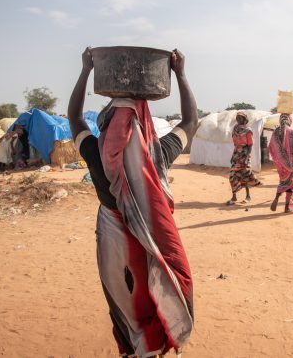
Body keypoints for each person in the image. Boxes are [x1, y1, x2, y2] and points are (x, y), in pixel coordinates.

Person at [67, 47, 196, 357]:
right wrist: (180, 74)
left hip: (115, 249)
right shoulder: (158, 157)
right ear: (145, 124)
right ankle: (153, 345)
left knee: (123, 302)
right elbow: (191, 122)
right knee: (155, 293)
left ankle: (131, 348)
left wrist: (85, 70)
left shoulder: (97, 154)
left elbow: (74, 118)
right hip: (149, 249)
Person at [269, 113, 293, 212]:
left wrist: (279, 160)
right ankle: (287, 206)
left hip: (281, 165)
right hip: (292, 165)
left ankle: (277, 197)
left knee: (283, 183)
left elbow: (271, 148)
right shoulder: (292, 131)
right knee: (292, 185)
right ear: (289, 120)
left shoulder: (276, 132)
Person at [228, 111, 262, 204]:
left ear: (244, 119)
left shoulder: (248, 131)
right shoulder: (235, 129)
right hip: (236, 155)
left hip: (244, 154)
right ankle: (234, 197)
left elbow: (250, 145)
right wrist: (233, 155)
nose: (238, 119)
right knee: (232, 176)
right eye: (237, 118)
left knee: (245, 175)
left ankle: (248, 196)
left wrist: (247, 157)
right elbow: (235, 144)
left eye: (240, 118)